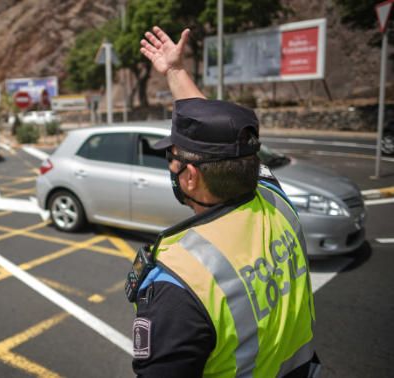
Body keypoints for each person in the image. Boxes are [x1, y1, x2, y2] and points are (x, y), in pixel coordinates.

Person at [126, 26, 319, 377]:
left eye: (172, 157)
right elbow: (222, 134)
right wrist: (175, 71)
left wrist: (175, 71)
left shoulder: (179, 280)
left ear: (190, 177)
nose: (170, 164)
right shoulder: (273, 198)